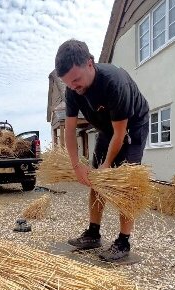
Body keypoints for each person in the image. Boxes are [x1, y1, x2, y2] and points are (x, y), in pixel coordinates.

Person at [55, 39, 149, 263]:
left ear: (90, 63)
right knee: (95, 181)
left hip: (131, 129)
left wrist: (106, 166)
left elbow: (120, 133)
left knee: (126, 187)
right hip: (107, 129)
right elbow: (69, 131)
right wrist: (78, 166)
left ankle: (123, 241)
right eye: (69, 83)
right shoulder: (72, 90)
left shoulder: (113, 83)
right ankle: (93, 233)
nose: (74, 87)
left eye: (76, 80)